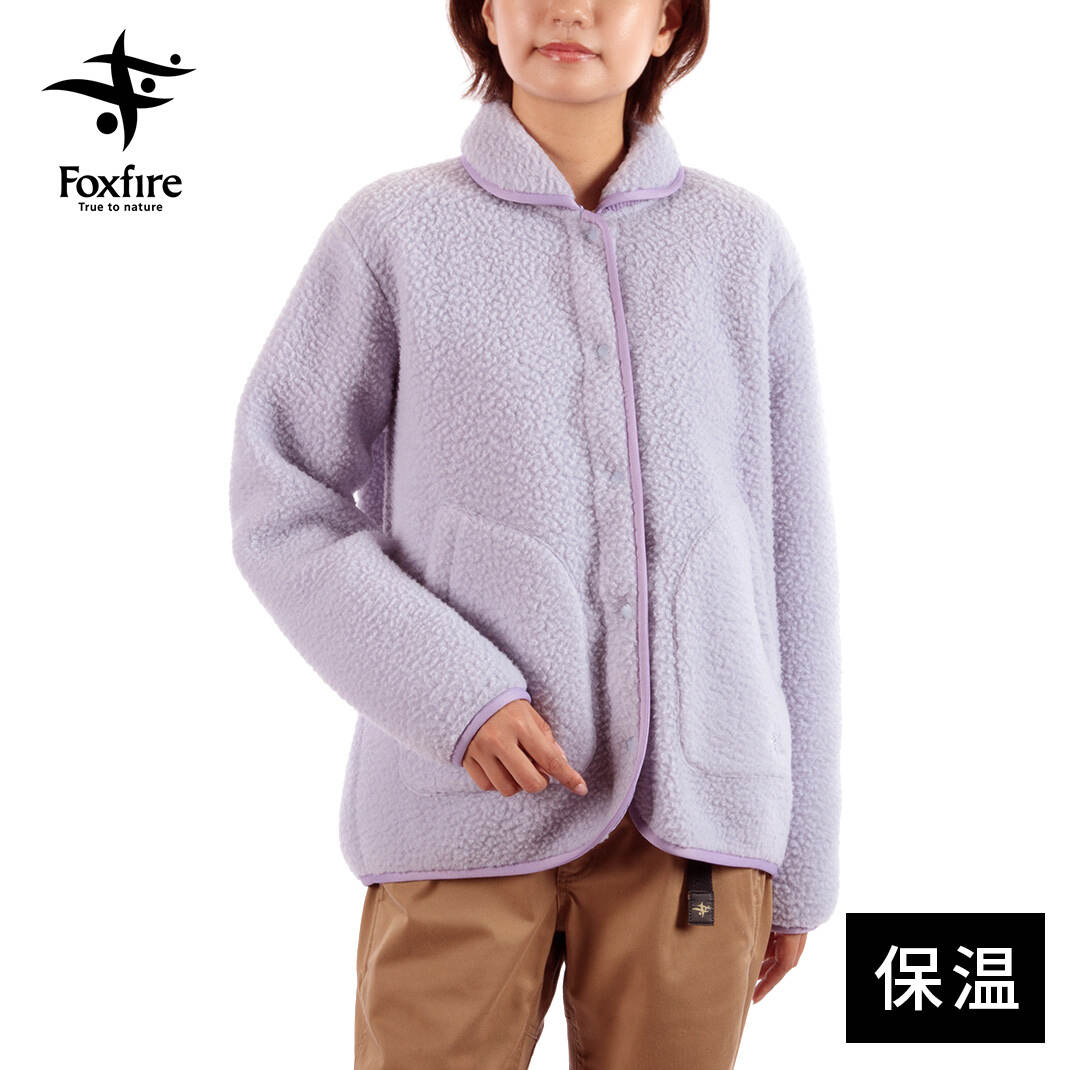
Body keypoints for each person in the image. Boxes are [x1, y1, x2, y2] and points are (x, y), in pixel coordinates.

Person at [229, 1, 841, 1066]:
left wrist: (801, 859)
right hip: (460, 809)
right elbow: (280, 498)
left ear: (666, 23)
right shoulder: (394, 232)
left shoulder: (742, 246)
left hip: (697, 824)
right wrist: (453, 692)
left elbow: (793, 561)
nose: (568, 9)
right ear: (486, 14)